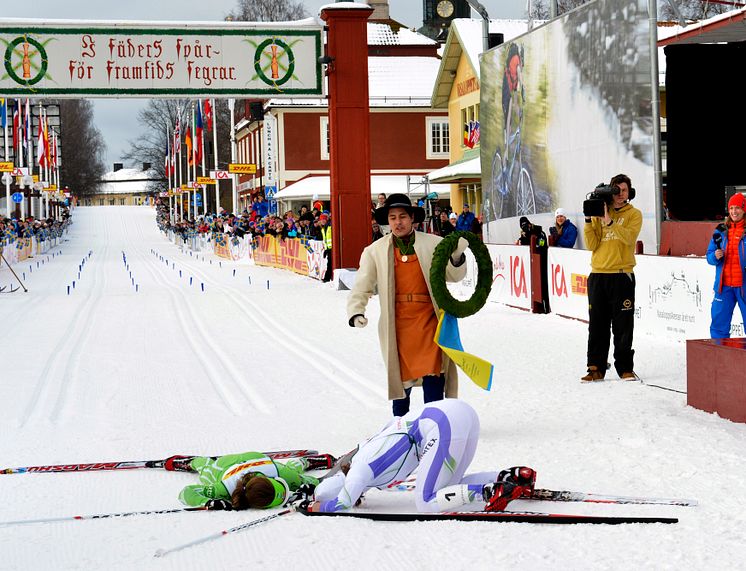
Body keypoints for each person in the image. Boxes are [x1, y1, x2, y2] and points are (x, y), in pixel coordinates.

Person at [347, 194, 468, 416]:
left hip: (429, 320)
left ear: (413, 218)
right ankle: (399, 425)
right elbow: (362, 285)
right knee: (400, 377)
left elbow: (452, 275)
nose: (398, 222)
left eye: (403, 216)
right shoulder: (374, 251)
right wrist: (356, 310)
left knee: (434, 371)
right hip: (398, 325)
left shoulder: (433, 244)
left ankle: (434, 421)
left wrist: (457, 257)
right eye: (392, 218)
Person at [303, 399, 537, 514]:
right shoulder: (365, 451)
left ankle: (489, 492)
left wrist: (315, 506)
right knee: (448, 489)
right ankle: (512, 478)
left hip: (442, 424)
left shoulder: (358, 471)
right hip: (460, 414)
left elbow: (342, 503)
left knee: (425, 502)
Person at [581, 174, 642, 382]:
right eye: (616, 190)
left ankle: (625, 367)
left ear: (629, 193)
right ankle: (595, 368)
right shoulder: (600, 212)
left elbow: (628, 239)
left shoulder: (634, 214)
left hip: (621, 275)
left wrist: (609, 221)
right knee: (597, 325)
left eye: (624, 190)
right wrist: (590, 221)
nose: (619, 194)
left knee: (623, 325)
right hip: (598, 275)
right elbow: (591, 245)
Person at [175, 451, 335, 510]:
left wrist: (309, 485)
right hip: (227, 465)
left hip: (261, 461)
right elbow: (185, 493)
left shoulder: (283, 475)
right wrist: (208, 501)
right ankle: (190, 461)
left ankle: (304, 461)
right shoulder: (226, 488)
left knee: (294, 476)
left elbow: (313, 481)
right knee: (206, 469)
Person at [706, 193, 746, 339]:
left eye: (737, 208)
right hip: (724, 287)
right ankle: (719, 358)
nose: (734, 212)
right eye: (731, 208)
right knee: (718, 326)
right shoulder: (721, 231)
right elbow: (709, 256)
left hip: (744, 286)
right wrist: (714, 256)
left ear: (744, 209)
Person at [319, 213, 333, 282]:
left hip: (332, 248)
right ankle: (328, 278)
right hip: (328, 248)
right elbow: (326, 240)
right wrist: (326, 249)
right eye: (321, 220)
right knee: (329, 263)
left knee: (329, 264)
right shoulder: (323, 228)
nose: (323, 221)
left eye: (324, 219)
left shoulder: (330, 226)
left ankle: (327, 278)